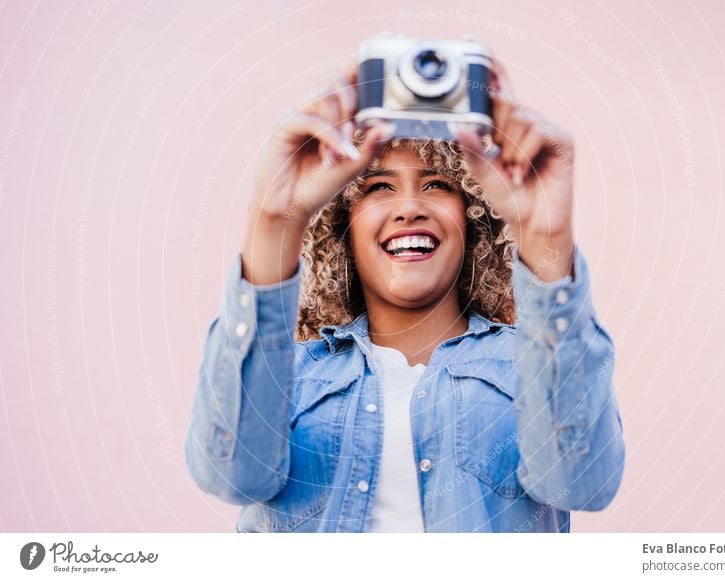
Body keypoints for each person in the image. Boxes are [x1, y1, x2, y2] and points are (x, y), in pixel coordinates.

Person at [184, 57, 625, 533]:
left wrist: (546, 237)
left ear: (475, 217)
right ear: (341, 226)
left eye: (437, 184)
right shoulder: (288, 377)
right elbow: (228, 474)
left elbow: (582, 482)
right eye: (378, 187)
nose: (409, 208)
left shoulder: (532, 367)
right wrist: (274, 220)